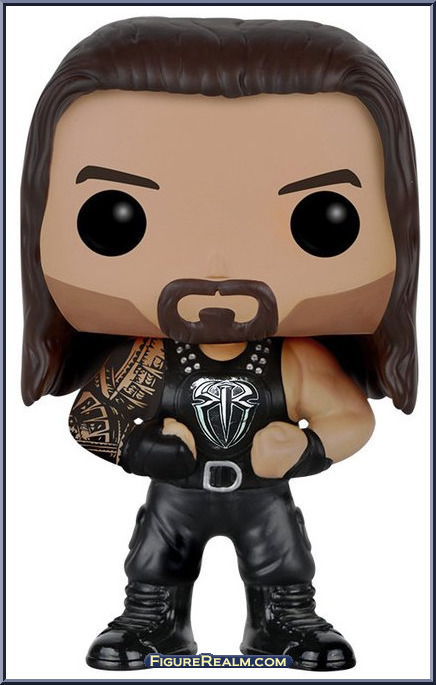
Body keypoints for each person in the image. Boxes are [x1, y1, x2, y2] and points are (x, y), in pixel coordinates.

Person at [21, 17, 418, 671]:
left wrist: (311, 449)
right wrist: (139, 449)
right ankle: (153, 619)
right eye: (114, 218)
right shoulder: (148, 357)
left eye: (322, 220)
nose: (217, 265)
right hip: (176, 492)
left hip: (263, 491)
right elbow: (92, 417)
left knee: (281, 558)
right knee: (156, 559)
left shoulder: (295, 360)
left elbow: (351, 416)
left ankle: (283, 618)